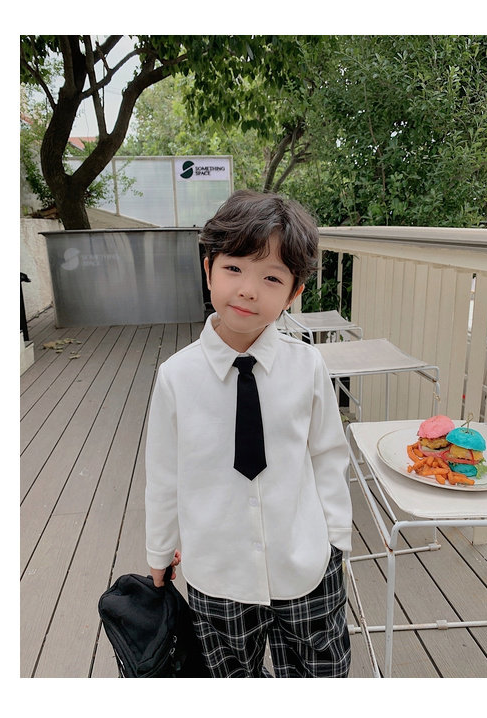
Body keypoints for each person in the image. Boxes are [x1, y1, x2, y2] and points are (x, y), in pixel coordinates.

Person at [144, 190, 352, 678]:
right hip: (218, 573)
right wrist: (160, 551)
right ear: (209, 269)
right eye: (234, 268)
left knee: (320, 674)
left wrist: (335, 539)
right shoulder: (176, 377)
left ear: (295, 292)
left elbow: (327, 452)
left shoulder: (307, 365)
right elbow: (164, 474)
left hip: (305, 563)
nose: (248, 290)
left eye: (271, 277)